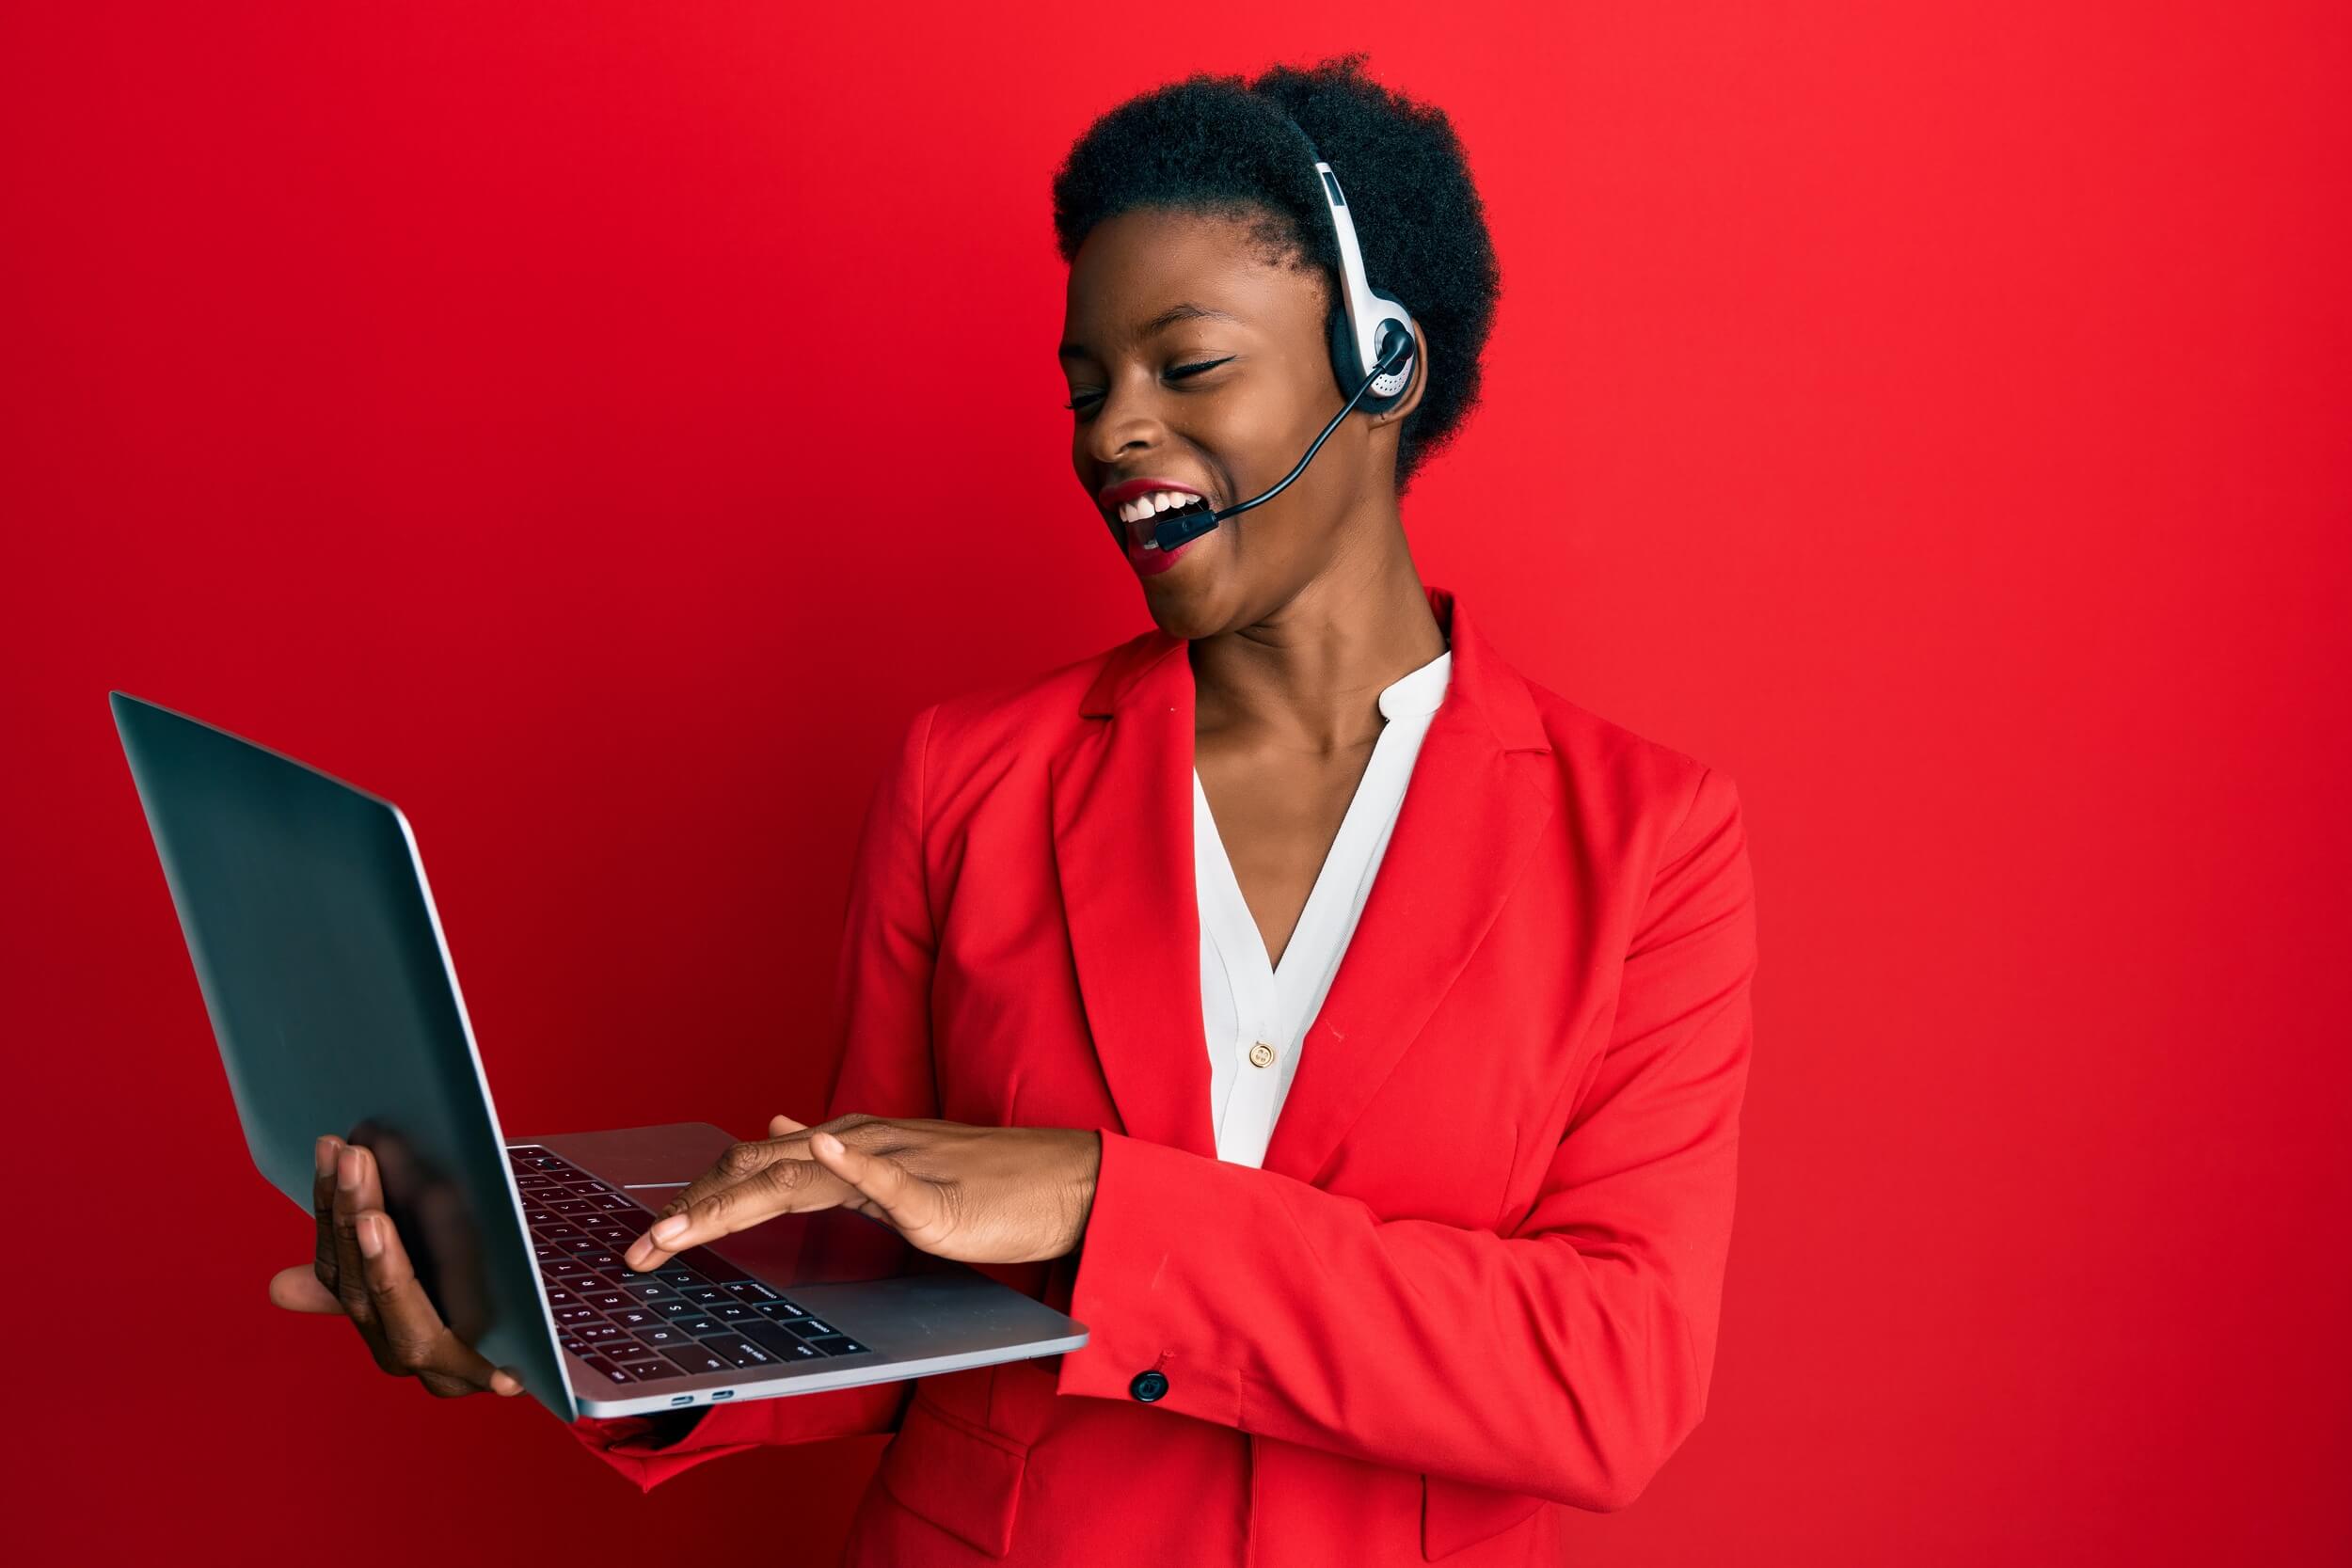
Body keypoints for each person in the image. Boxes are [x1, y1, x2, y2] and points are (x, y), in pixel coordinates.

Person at [273, 54, 1759, 1567]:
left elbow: (1607, 1377)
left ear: (1383, 366)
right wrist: (566, 1341)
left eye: (1186, 369)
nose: (1113, 432)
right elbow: (865, 1278)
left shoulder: (1648, 842)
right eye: (1086, 386)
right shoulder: (967, 779)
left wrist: (1098, 1199)